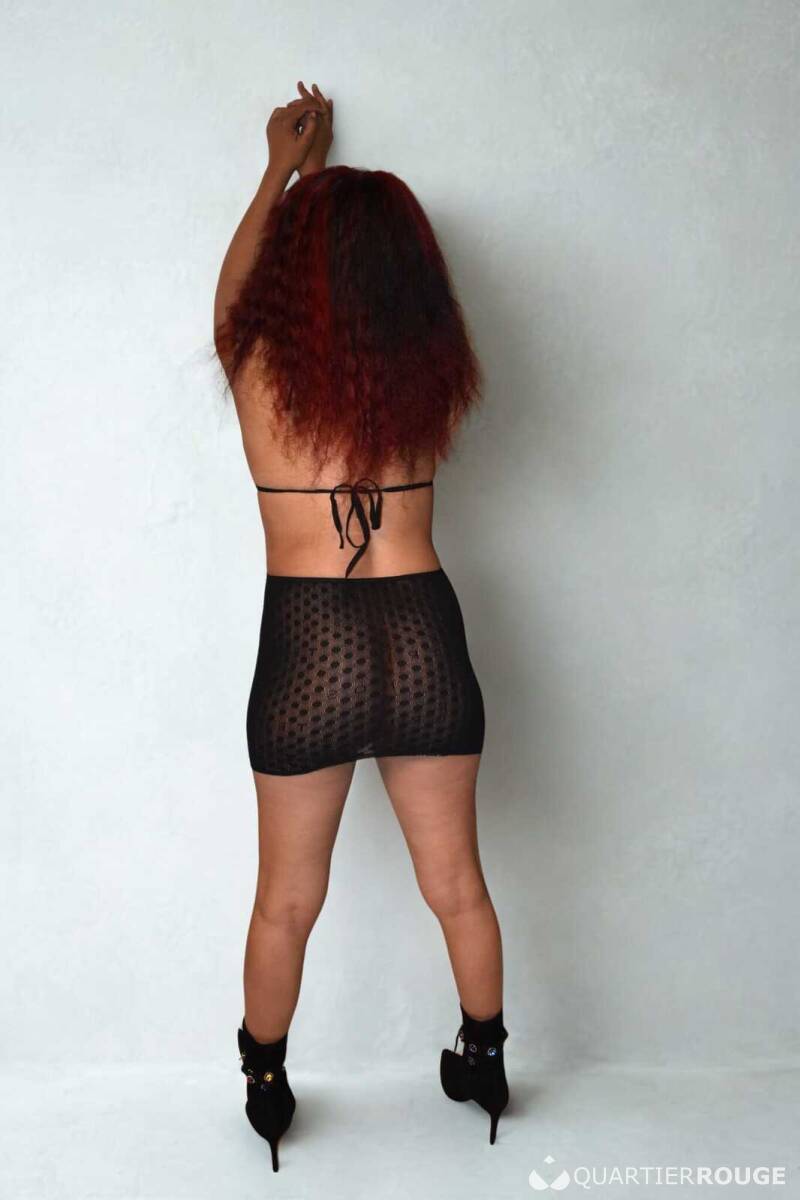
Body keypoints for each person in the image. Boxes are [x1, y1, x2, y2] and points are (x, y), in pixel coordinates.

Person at [213, 81, 509, 1172]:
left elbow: (234, 299)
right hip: (422, 623)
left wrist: (280, 172)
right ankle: (483, 1062)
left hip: (309, 635)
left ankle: (266, 1086)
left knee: (285, 900)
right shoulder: (421, 377)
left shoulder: (255, 364)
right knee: (458, 885)